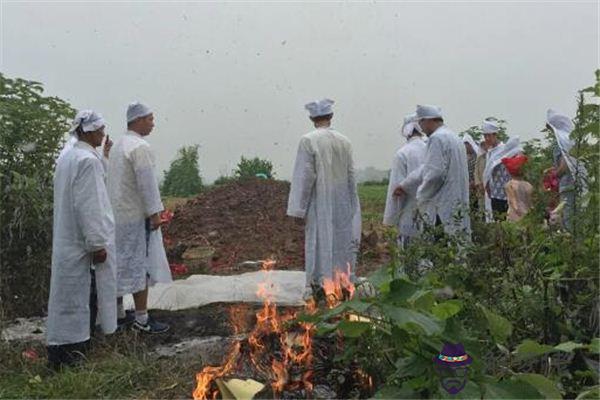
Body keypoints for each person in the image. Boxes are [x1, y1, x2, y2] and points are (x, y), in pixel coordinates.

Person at [47, 110, 117, 369]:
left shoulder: (69, 156)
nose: (103, 134)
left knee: (68, 299)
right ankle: (74, 355)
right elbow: (91, 205)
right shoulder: (86, 161)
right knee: (80, 299)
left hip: (68, 240)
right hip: (81, 243)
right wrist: (97, 243)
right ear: (87, 131)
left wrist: (105, 157)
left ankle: (62, 353)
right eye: (99, 129)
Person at [287, 98, 361, 300]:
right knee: (340, 240)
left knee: (318, 240)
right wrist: (352, 203)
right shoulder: (344, 141)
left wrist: (298, 209)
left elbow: (304, 177)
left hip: (319, 201)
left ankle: (318, 284)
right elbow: (351, 175)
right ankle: (342, 282)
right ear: (331, 116)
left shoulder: (309, 140)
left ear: (312, 118)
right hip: (342, 201)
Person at [107, 102, 172, 333]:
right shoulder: (139, 147)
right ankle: (142, 320)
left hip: (117, 217)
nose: (153, 123)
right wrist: (155, 213)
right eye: (150, 119)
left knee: (118, 264)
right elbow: (147, 184)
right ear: (138, 120)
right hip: (135, 218)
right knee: (139, 266)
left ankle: (117, 314)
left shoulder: (118, 146)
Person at [394, 105, 471, 238]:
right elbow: (426, 167)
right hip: (457, 202)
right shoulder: (453, 137)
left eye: (421, 123)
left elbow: (435, 174)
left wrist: (421, 196)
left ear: (428, 120)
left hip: (443, 206)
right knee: (457, 244)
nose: (421, 128)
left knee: (442, 246)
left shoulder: (437, 139)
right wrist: (405, 185)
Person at [383, 113, 427, 248]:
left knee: (409, 257)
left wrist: (389, 220)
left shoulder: (403, 153)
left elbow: (396, 191)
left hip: (409, 213)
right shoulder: (430, 149)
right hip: (431, 213)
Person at [546, 109, 588, 231]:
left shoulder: (563, 142)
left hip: (568, 185)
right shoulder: (570, 140)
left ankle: (573, 245)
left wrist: (554, 175)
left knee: (568, 218)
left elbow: (564, 166)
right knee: (577, 217)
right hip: (574, 183)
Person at [481, 120, 513, 221]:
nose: (487, 139)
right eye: (485, 136)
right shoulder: (490, 152)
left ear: (495, 135)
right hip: (492, 191)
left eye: (489, 136)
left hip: (503, 193)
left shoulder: (504, 150)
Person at [502, 154, 533, 222]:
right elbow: (530, 202)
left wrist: (518, 210)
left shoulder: (509, 185)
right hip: (527, 213)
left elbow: (513, 201)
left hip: (514, 214)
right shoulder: (528, 185)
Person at [462, 134, 482, 213]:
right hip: (466, 186)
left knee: (474, 205)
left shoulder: (476, 156)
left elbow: (477, 171)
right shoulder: (464, 157)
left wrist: (473, 182)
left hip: (474, 185)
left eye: (466, 145)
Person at [474, 140, 488, 217]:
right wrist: (479, 183)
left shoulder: (492, 156)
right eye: (482, 145)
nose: (484, 147)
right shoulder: (480, 157)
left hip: (489, 186)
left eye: (485, 145)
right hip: (480, 186)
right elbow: (476, 172)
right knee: (481, 206)